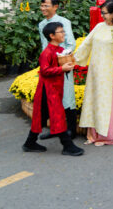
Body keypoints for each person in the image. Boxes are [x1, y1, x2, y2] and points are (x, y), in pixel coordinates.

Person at [74, 0, 113, 146]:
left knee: (104, 102)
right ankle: (92, 134)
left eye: (105, 13)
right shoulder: (99, 26)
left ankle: (105, 136)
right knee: (92, 99)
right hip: (94, 70)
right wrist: (74, 58)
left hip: (107, 71)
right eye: (102, 12)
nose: (102, 16)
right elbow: (86, 43)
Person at [22, 22, 84, 156]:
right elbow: (44, 71)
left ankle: (29, 143)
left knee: (42, 117)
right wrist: (61, 69)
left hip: (54, 89)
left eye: (63, 31)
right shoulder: (47, 52)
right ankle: (67, 145)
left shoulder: (59, 50)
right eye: (60, 32)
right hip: (48, 90)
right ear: (51, 36)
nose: (63, 34)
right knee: (58, 115)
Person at [37, 0, 77, 139]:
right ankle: (55, 129)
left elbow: (71, 44)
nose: (43, 9)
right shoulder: (42, 24)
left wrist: (60, 60)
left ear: (55, 7)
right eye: (42, 6)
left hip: (62, 65)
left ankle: (72, 130)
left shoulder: (64, 22)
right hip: (49, 68)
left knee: (67, 97)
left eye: (46, 6)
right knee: (51, 98)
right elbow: (44, 46)